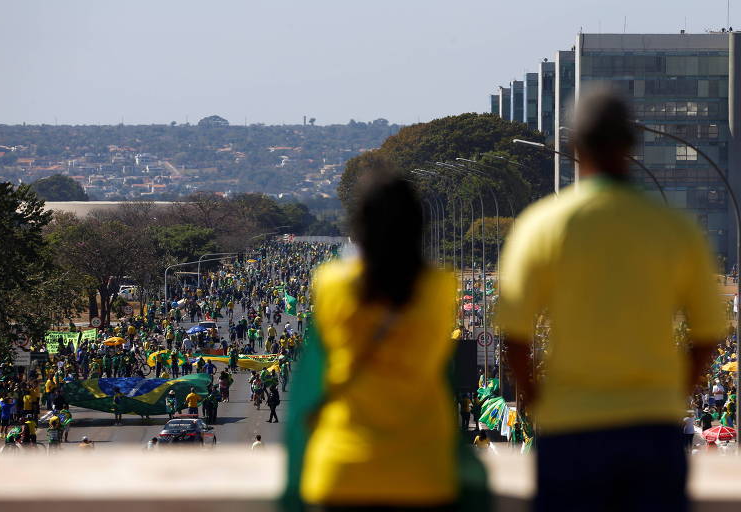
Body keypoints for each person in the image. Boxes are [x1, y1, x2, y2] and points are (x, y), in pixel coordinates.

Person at [498, 90, 725, 512]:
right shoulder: (675, 229)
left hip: (570, 430)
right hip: (652, 431)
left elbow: (514, 336)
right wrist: (675, 396)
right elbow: (709, 334)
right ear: (631, 145)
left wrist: (539, 402)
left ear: (574, 146)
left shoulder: (541, 226)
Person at [298, 170, 476, 509]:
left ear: (359, 225)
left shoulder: (330, 283)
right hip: (422, 466)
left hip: (343, 466)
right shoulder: (440, 287)